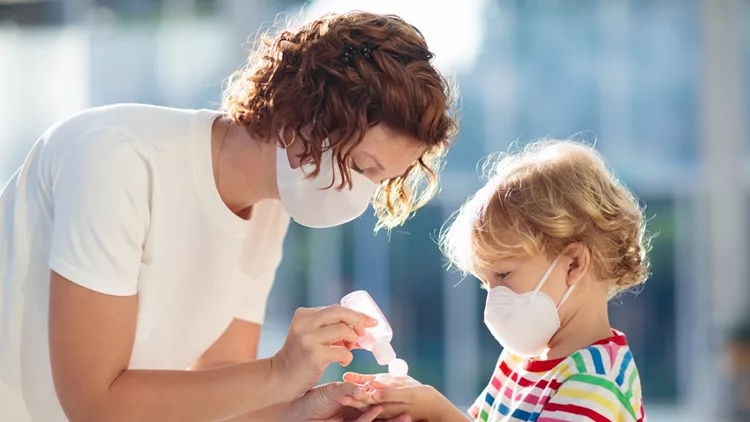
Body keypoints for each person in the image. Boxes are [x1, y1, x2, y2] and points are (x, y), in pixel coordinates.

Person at [0, 10, 457, 422]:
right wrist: (280, 371)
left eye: (380, 181)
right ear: (302, 116)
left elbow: (219, 389)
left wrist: (308, 411)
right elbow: (95, 402)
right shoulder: (118, 159)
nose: (362, 196)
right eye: (360, 167)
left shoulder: (270, 206)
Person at [346, 140, 649, 421]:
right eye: (486, 282)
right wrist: (411, 405)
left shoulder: (596, 383)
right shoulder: (518, 359)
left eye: (503, 275)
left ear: (574, 263)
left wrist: (437, 411)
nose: (494, 298)